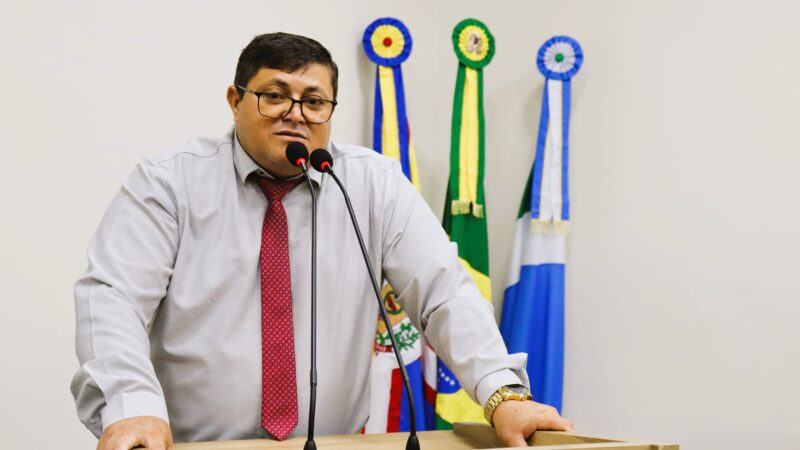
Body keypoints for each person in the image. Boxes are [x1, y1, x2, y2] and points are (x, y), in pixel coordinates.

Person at [71, 32, 573, 450]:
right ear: (234, 99)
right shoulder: (167, 183)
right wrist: (132, 406)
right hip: (192, 447)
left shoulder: (372, 183)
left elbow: (445, 294)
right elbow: (112, 299)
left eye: (313, 101)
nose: (295, 113)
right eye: (274, 94)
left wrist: (502, 394)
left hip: (333, 445)